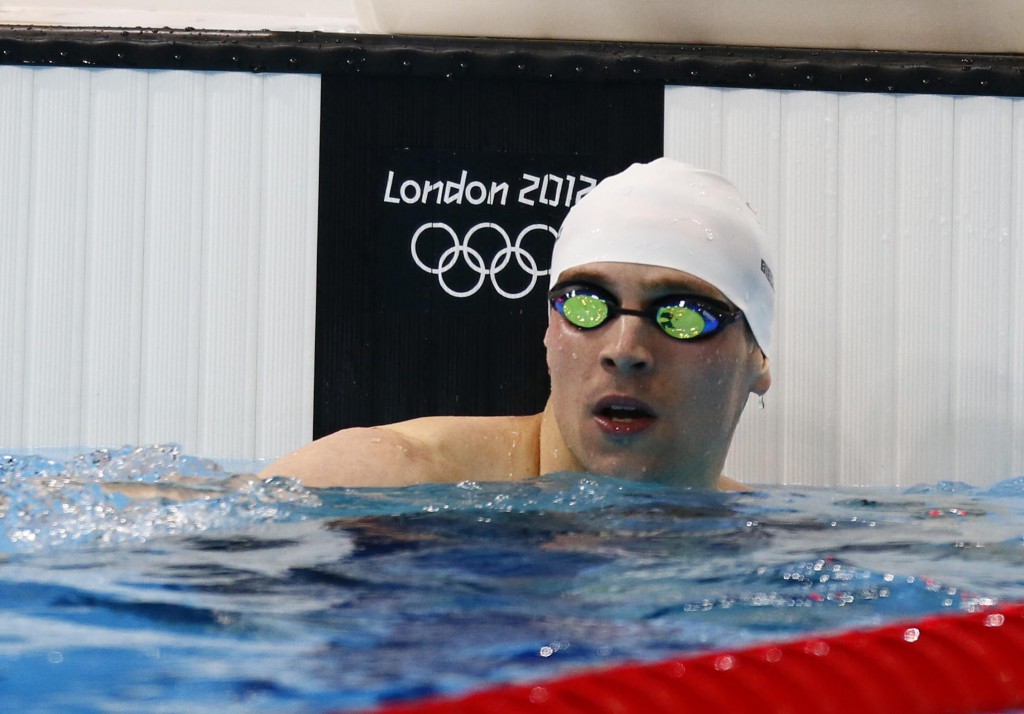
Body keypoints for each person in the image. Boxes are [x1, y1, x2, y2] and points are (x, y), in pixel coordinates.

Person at [261, 158, 774, 490]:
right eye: (587, 303)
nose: (625, 347)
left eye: (683, 314)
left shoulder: (773, 545)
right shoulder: (377, 480)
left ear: (758, 358)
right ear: (550, 333)